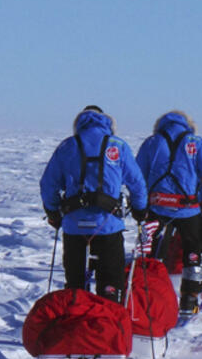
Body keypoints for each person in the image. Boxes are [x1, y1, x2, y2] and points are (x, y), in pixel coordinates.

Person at [40, 105, 148, 303]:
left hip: (74, 228)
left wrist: (53, 213)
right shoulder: (119, 146)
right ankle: (110, 322)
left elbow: (48, 184)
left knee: (75, 286)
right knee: (110, 284)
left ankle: (77, 321)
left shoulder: (67, 146)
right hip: (108, 227)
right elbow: (137, 184)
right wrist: (140, 211)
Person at [136, 110, 202, 317]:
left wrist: (138, 203)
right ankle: (189, 299)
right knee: (192, 251)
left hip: (157, 207)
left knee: (150, 251)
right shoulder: (197, 144)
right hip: (187, 209)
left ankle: (146, 295)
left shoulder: (152, 143)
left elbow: (138, 174)